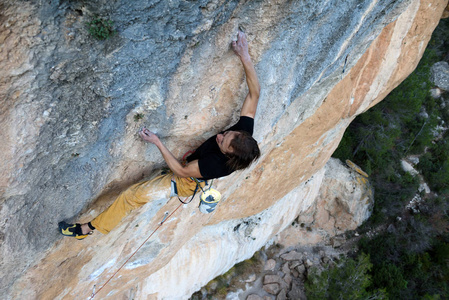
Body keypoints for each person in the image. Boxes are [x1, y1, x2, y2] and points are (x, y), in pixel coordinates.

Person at [59, 31, 261, 239]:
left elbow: (182, 171)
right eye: (226, 134)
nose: (220, 135)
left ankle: (86, 230)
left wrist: (157, 141)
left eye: (222, 142)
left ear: (228, 154)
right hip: (194, 167)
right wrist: (244, 55)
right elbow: (254, 93)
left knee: (131, 196)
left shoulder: (216, 165)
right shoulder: (243, 136)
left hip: (186, 181)